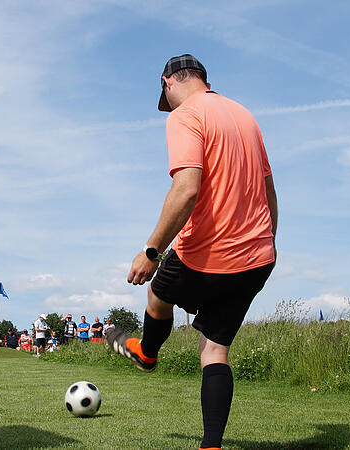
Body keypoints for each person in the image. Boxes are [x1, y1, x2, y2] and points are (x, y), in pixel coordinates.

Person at [105, 54, 277, 450]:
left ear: (168, 83)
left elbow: (186, 189)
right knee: (214, 351)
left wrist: (151, 252)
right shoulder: (245, 116)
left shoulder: (184, 115)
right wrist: (267, 240)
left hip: (206, 252)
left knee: (156, 294)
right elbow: (269, 190)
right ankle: (210, 445)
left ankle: (147, 354)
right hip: (257, 256)